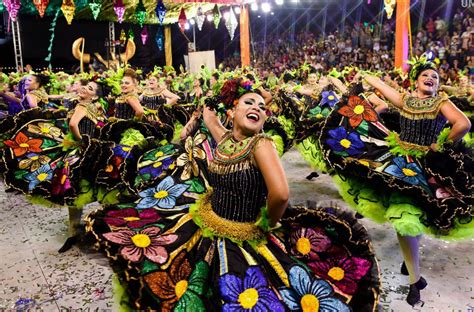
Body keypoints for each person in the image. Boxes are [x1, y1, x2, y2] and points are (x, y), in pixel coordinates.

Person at [85, 78, 380, 311]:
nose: (257, 107)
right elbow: (209, 115)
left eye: (262, 107)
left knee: (243, 295)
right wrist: (218, 96)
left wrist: (268, 223)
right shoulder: (225, 140)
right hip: (207, 222)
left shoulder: (261, 144)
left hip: (249, 234)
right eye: (248, 102)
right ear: (232, 112)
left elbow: (280, 194)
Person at [319, 59, 472, 306]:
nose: (431, 78)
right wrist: (362, 75)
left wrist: (440, 146)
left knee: (410, 218)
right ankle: (414, 274)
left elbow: (463, 124)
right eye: (426, 75)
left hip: (425, 165)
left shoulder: (442, 102)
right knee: (405, 218)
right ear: (416, 80)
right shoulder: (405, 100)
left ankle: (414, 279)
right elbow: (379, 86)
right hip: (397, 160)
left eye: (436, 77)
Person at [2, 79, 109, 252]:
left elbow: (74, 124)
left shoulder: (82, 107)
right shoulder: (97, 107)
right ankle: (96, 227)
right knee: (96, 189)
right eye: (85, 85)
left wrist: (80, 141)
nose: (83, 88)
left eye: (89, 88)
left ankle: (75, 231)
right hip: (94, 153)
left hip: (80, 153)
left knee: (74, 194)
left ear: (95, 96)